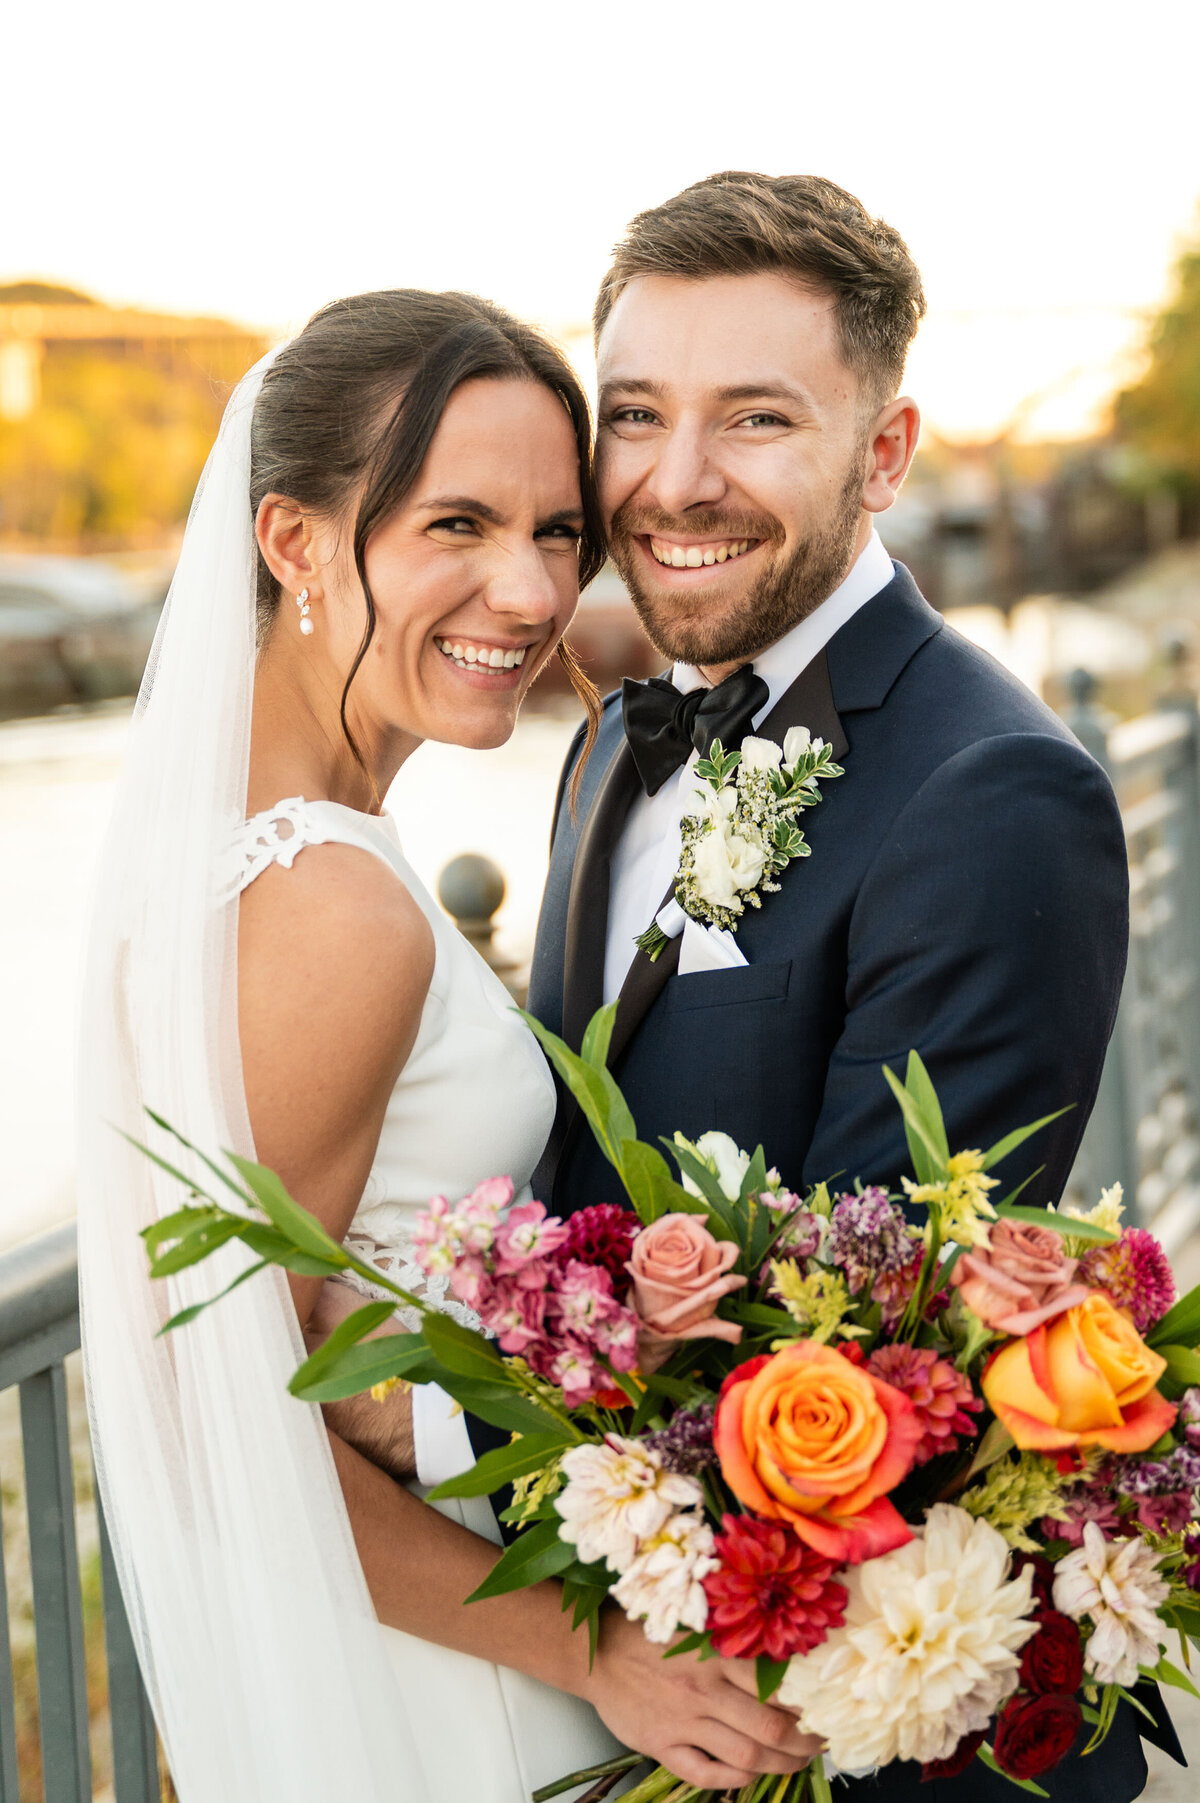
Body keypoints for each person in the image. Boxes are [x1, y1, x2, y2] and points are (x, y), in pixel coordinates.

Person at [77, 291, 815, 1800]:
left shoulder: (278, 849)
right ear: (292, 543)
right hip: (448, 1682)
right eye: (456, 524)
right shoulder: (332, 904)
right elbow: (213, 1415)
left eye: (556, 532)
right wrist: (590, 1651)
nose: (530, 590)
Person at [518, 172, 1185, 1801]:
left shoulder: (996, 793)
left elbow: (863, 1338)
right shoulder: (621, 729)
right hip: (632, 1683)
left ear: (885, 454)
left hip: (841, 1729)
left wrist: (426, 1447)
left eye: (755, 420)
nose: (675, 484)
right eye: (635, 416)